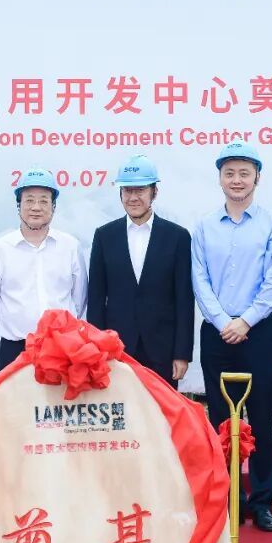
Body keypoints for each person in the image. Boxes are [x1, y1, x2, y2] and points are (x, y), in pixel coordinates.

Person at [192, 141, 272, 532]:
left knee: (261, 417)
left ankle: (262, 502)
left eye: (244, 173)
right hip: (216, 333)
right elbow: (199, 280)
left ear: (257, 178)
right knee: (221, 420)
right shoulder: (204, 226)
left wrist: (245, 321)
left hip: (258, 332)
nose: (237, 180)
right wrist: (222, 321)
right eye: (229, 173)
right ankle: (229, 499)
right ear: (220, 178)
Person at [87, 155, 193, 389]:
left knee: (160, 409)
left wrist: (182, 353)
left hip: (163, 350)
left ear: (154, 192)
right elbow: (96, 299)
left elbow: (184, 300)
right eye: (127, 191)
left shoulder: (177, 237)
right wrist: (97, 349)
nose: (133, 197)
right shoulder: (105, 236)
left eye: (140, 190)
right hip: (116, 350)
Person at [0, 167, 86, 371]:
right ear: (18, 205)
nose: (36, 207)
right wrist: (16, 326)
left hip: (62, 346)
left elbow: (79, 299)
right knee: (12, 394)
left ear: (53, 206)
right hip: (15, 348)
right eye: (29, 200)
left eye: (43, 201)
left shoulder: (70, 246)